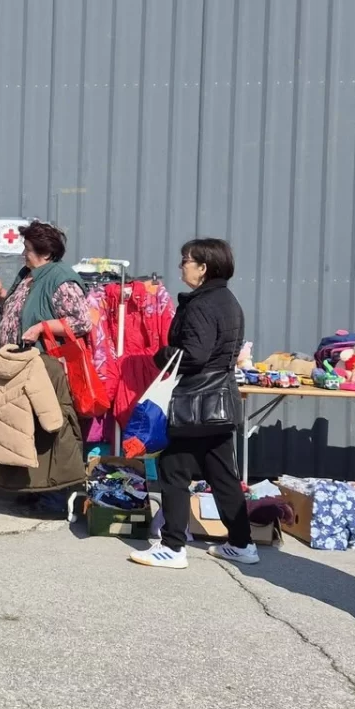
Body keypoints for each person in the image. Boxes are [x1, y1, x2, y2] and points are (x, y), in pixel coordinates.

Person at [129, 238, 250, 570]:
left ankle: (172, 546)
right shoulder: (228, 301)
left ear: (203, 267)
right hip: (220, 401)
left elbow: (194, 354)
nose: (181, 265)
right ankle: (241, 543)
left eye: (186, 260)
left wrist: (161, 355)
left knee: (173, 468)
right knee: (223, 473)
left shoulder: (201, 304)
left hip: (195, 401)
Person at [0, 220, 88, 346]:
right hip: (16, 360)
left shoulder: (62, 281)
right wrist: (0, 294)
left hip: (42, 361)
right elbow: (24, 308)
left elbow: (81, 322)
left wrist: (41, 327)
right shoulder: (28, 273)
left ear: (46, 254)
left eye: (27, 249)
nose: (23, 253)